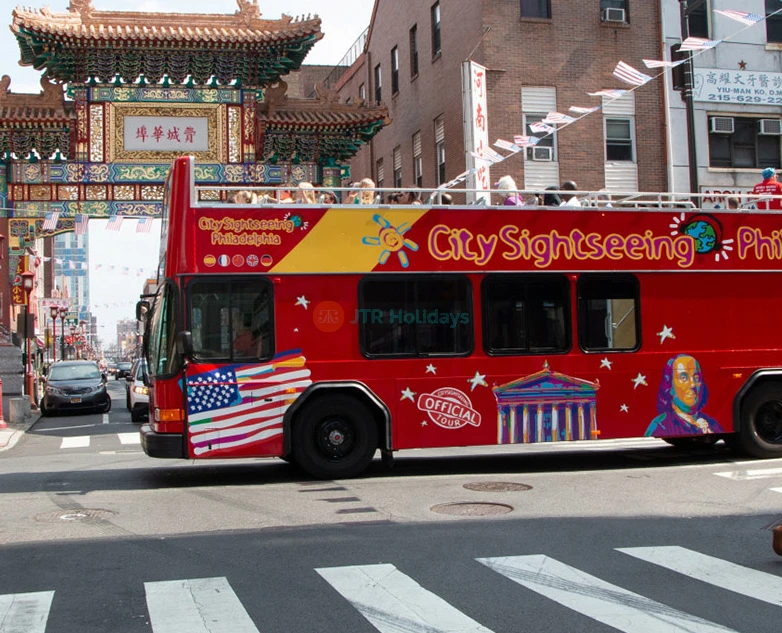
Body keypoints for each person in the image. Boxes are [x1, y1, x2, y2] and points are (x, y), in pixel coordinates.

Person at [644, 354, 724, 437]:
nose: (692, 384)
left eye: (696, 378)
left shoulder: (713, 425)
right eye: (683, 378)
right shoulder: (660, 427)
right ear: (670, 386)